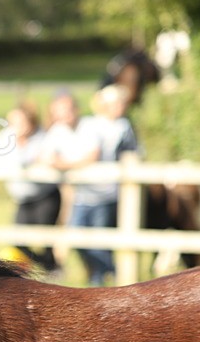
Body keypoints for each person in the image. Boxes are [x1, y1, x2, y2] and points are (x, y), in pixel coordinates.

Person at [47, 85, 139, 286]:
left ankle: (100, 280)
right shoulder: (60, 130)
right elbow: (48, 157)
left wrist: (66, 165)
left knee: (99, 242)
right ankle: (107, 273)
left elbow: (93, 156)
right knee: (78, 240)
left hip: (104, 193)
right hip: (83, 195)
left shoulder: (93, 126)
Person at [0, 102, 60, 274]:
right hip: (23, 198)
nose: (16, 127)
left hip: (45, 196)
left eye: (20, 122)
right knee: (18, 241)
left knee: (45, 239)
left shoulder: (43, 138)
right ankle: (47, 268)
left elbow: (48, 158)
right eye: (13, 122)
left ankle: (51, 269)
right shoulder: (5, 137)